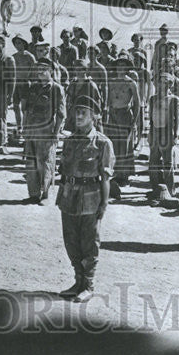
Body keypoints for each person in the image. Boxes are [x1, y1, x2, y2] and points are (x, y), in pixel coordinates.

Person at [56, 95, 114, 303]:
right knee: (71, 241)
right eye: (77, 112)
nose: (78, 116)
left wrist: (104, 204)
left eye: (84, 113)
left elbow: (105, 177)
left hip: (90, 198)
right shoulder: (70, 140)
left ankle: (88, 285)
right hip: (68, 195)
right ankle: (77, 281)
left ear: (94, 117)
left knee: (89, 243)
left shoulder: (102, 143)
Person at [22, 57, 66, 204]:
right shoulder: (33, 87)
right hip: (32, 131)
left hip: (47, 131)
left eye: (44, 69)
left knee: (46, 162)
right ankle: (33, 194)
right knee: (31, 162)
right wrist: (25, 129)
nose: (40, 72)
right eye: (38, 69)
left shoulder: (56, 89)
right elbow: (27, 110)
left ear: (51, 71)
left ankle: (45, 194)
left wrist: (56, 133)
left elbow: (60, 114)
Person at [106, 56, 142, 196]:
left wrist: (135, 121)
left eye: (123, 66)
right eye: (118, 66)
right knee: (113, 144)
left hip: (125, 115)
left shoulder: (131, 83)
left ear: (127, 68)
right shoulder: (112, 81)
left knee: (125, 145)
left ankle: (124, 175)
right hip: (113, 115)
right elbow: (108, 101)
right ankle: (115, 173)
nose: (120, 68)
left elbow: (137, 103)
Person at [148, 71, 179, 203]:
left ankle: (170, 190)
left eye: (167, 82)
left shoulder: (174, 100)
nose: (164, 85)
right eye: (161, 81)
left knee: (167, 163)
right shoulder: (153, 99)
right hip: (156, 130)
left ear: (171, 85)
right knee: (153, 162)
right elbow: (151, 119)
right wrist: (150, 133)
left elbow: (177, 119)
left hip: (167, 132)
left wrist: (175, 135)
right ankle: (156, 189)